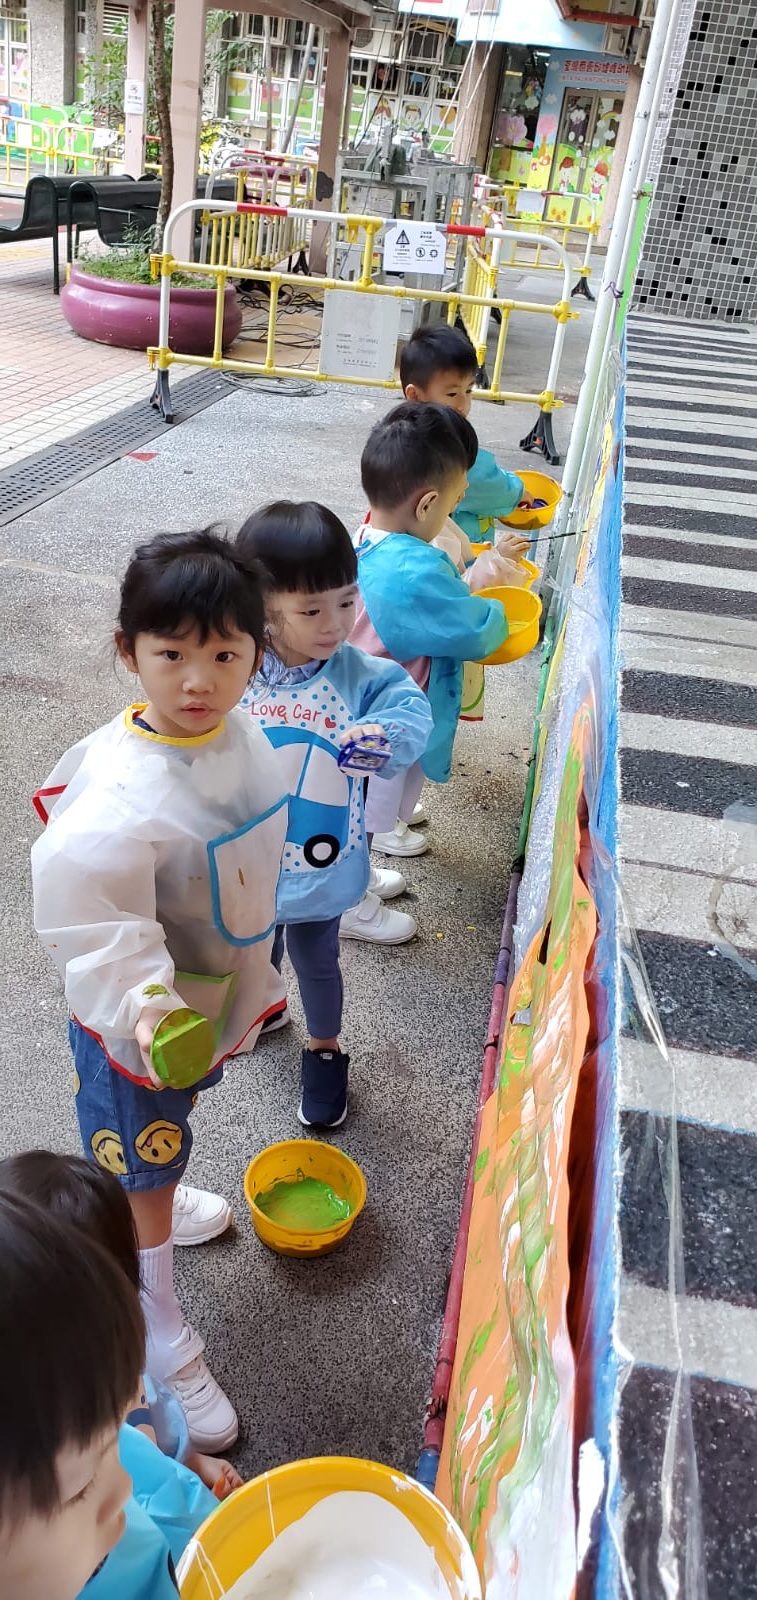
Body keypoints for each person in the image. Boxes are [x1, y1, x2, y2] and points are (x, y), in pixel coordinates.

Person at [31, 528, 289, 1455]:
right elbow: (94, 920)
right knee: (142, 1140)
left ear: (256, 653)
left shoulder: (236, 735)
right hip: (141, 1022)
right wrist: (146, 1005)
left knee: (164, 1132)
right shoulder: (120, 791)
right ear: (127, 651)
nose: (198, 682)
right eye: (171, 655)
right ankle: (158, 1330)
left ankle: (153, 1196)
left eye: (224, 655)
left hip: (205, 995)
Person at [235, 501, 433, 1130]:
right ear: (263, 608)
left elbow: (409, 712)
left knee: (317, 958)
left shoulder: (362, 675)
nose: (337, 623)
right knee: (254, 947)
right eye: (312, 610)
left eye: (347, 602)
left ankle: (324, 1048)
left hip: (320, 861)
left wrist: (384, 736)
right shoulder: (235, 668)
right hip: (245, 859)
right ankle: (265, 1005)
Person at [0, 1189, 216, 1600]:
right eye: (79, 1490)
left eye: (114, 1440)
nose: (124, 1488)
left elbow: (162, 1479)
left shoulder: (88, 1448)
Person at [0, 1149, 242, 1498]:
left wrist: (189, 1462)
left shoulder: (119, 1371)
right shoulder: (46, 1463)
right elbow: (136, 1519)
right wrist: (196, 1508)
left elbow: (151, 1413)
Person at [350, 402, 508, 878]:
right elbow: (470, 630)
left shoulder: (368, 538)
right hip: (386, 714)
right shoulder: (412, 568)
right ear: (426, 505)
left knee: (359, 801)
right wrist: (500, 605)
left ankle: (355, 878)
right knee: (364, 807)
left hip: (362, 702)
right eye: (454, 502)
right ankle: (353, 896)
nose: (455, 510)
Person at [399, 323, 536, 544]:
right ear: (415, 395)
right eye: (452, 394)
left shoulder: (398, 433)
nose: (463, 403)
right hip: (453, 549)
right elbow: (486, 483)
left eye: (469, 390)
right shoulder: (449, 447)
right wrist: (518, 492)